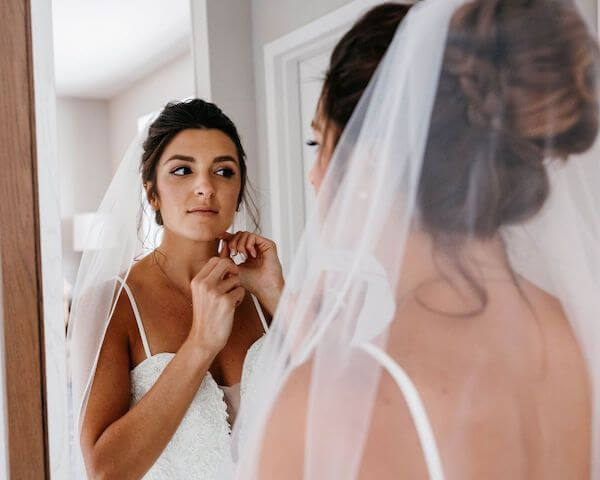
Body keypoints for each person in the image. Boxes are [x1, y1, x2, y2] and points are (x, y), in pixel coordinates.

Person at [228, 1, 600, 478]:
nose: (314, 174)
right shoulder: (580, 331)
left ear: (371, 162)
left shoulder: (333, 410)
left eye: (320, 143)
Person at [67, 99, 284, 479]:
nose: (205, 187)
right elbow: (105, 472)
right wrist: (200, 344)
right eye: (183, 170)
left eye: (224, 171)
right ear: (152, 193)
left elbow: (344, 416)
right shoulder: (110, 303)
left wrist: (277, 295)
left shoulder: (262, 290)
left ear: (237, 191)